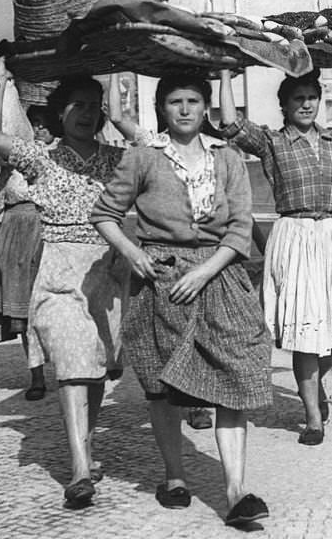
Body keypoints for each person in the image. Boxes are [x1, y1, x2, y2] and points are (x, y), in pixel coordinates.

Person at [91, 73, 271, 529]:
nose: (186, 109)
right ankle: (175, 477)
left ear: (205, 106)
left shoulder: (227, 157)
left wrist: (207, 270)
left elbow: (240, 225)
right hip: (163, 282)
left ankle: (235, 491)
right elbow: (106, 214)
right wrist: (133, 254)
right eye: (175, 102)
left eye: (193, 100)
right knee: (163, 387)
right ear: (162, 109)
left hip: (220, 276)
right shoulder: (143, 158)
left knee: (236, 373)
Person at [218, 68, 332, 447]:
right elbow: (230, 124)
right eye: (297, 98)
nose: (305, 104)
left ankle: (311, 386)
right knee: (305, 333)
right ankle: (313, 417)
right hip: (294, 236)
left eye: (311, 97)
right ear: (283, 105)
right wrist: (225, 75)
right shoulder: (272, 143)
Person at [0, 60, 129, 510]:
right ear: (60, 113)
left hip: (107, 272)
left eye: (94, 106)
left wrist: (117, 91)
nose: (86, 114)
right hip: (59, 272)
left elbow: (153, 154)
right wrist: (1, 83)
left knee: (99, 365)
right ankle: (80, 468)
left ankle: (87, 445)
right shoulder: (40, 157)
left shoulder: (116, 159)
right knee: (70, 362)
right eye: (77, 106)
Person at [0, 104, 56, 401]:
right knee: (21, 310)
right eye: (34, 124)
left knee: (50, 306)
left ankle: (67, 369)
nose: (39, 129)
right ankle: (36, 375)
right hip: (14, 234)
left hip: (45, 231)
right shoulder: (13, 161)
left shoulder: (58, 157)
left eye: (44, 124)